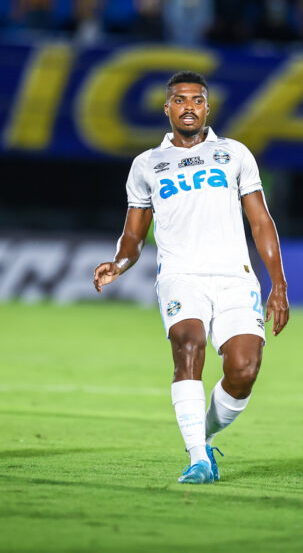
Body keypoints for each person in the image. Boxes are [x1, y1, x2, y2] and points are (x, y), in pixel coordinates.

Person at [93, 71, 289, 484]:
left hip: (235, 278)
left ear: (207, 107)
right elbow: (134, 234)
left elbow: (261, 222)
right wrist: (119, 263)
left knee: (244, 369)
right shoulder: (147, 164)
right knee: (188, 344)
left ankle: (204, 433)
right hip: (181, 277)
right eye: (179, 100)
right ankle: (199, 458)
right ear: (167, 108)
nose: (188, 107)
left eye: (197, 100)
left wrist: (279, 285)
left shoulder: (234, 154)